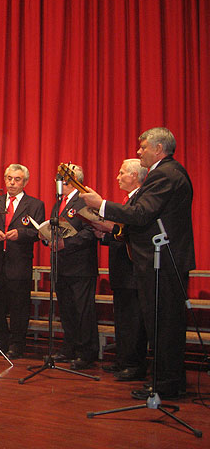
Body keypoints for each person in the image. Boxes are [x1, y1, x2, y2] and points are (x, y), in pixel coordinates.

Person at [82, 127, 194, 400]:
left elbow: (141, 213)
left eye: (143, 147)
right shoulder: (168, 172)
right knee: (162, 323)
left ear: (158, 149)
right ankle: (170, 379)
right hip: (162, 260)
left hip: (163, 261)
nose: (138, 151)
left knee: (164, 324)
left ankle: (166, 382)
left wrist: (102, 204)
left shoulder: (164, 174)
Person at [0, 164, 45, 359]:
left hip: (19, 263)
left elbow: (39, 232)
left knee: (19, 306)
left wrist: (21, 233)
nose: (12, 183)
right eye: (9, 178)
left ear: (25, 182)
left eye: (17, 179)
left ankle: (17, 345)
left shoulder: (35, 204)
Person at [93, 159, 148, 381]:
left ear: (134, 176)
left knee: (134, 320)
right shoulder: (128, 201)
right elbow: (122, 235)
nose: (118, 177)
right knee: (123, 319)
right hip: (121, 271)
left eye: (122, 172)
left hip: (133, 270)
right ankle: (122, 360)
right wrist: (104, 234)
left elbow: (134, 232)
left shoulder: (140, 201)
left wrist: (110, 228)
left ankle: (134, 364)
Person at [52, 164, 99, 370]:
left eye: (61, 178)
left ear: (72, 180)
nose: (57, 181)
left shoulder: (84, 199)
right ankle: (69, 346)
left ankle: (86, 352)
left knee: (82, 311)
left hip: (81, 265)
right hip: (61, 265)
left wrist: (67, 244)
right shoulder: (59, 202)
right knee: (67, 309)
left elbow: (91, 230)